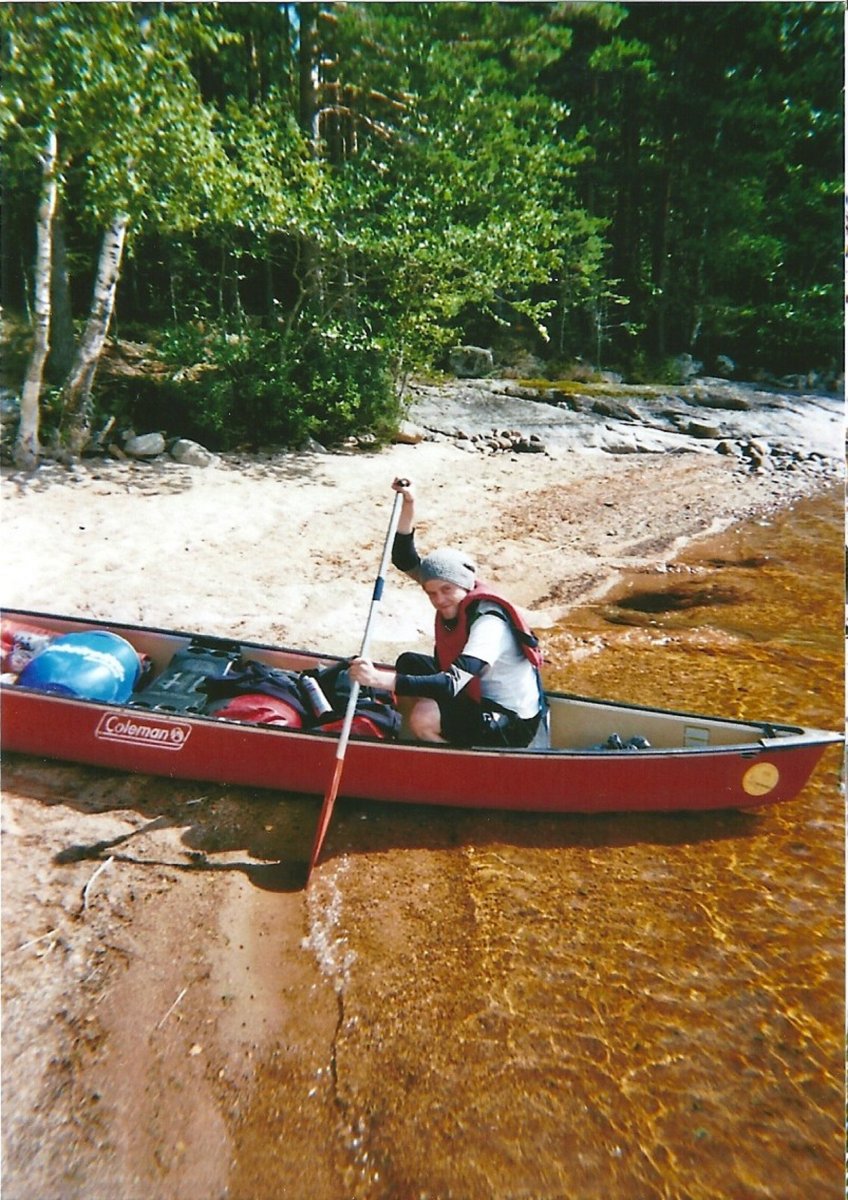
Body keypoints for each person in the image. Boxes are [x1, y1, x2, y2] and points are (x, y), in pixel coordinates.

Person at [349, 478, 547, 747]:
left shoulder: (489, 624)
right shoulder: (451, 587)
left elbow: (452, 683)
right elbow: (404, 558)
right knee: (409, 663)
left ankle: (446, 754)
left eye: (446, 590)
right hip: (475, 695)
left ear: (464, 586)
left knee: (424, 717)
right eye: (431, 593)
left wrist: (377, 679)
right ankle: (410, 738)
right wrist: (409, 502)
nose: (439, 600)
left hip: (511, 722)